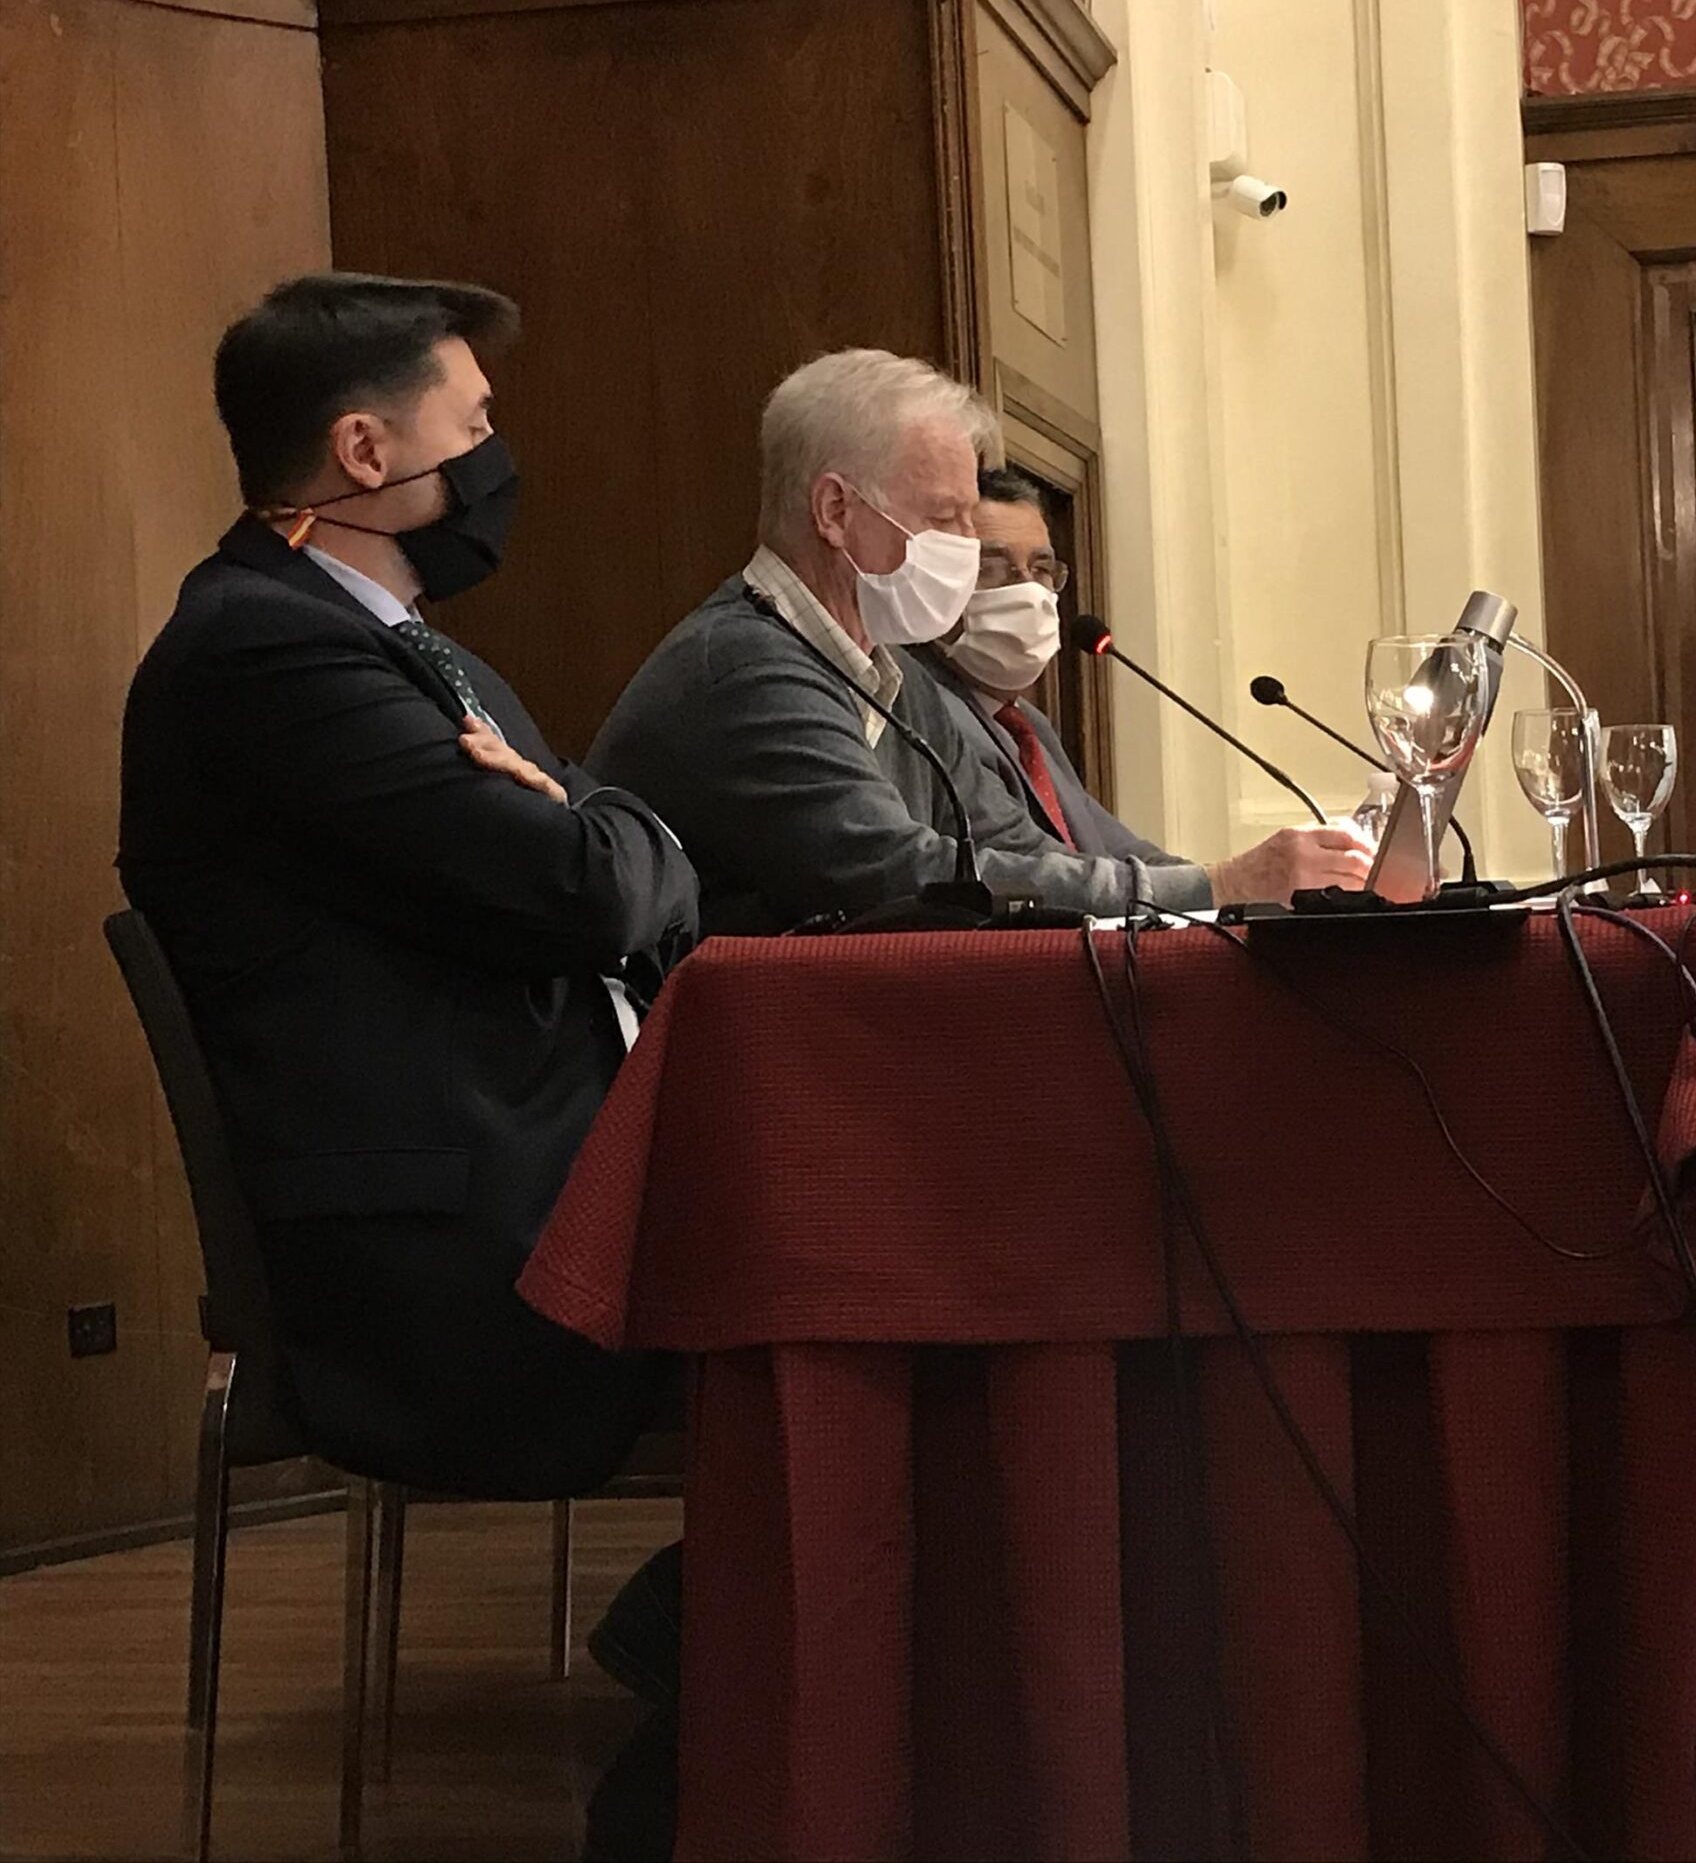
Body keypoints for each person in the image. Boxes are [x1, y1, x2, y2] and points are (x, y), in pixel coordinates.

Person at [118, 272, 698, 1502]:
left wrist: (609, 833)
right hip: (452, 1255)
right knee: (867, 1294)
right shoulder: (265, 653)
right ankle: (710, 1618)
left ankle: (744, 1614)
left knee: (884, 1249)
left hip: (550, 1173)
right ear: (364, 452)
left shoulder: (406, 650)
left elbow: (637, 864)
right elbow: (596, 891)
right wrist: (607, 835)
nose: (495, 455)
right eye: (473, 424)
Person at [585, 348, 1370, 931]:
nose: (964, 547)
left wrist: (1218, 889)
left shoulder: (889, 674)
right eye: (945, 518)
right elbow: (912, 878)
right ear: (835, 512)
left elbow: (1018, 847)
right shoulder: (745, 669)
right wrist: (1222, 885)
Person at [908, 467, 1199, 869]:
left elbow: (1118, 848)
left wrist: (1236, 884)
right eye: (991, 567)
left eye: (1041, 569)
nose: (1027, 590)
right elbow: (1032, 864)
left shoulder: (1028, 725)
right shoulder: (922, 709)